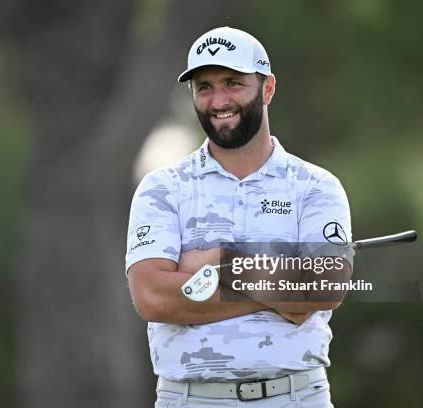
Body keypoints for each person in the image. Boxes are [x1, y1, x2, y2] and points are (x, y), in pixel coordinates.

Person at [125, 26, 352, 407]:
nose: (218, 100)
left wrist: (208, 264)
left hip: (297, 397)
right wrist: (283, 283)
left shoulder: (315, 186)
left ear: (267, 89)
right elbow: (151, 296)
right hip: (190, 399)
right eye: (204, 87)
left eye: (232, 83)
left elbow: (325, 286)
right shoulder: (162, 188)